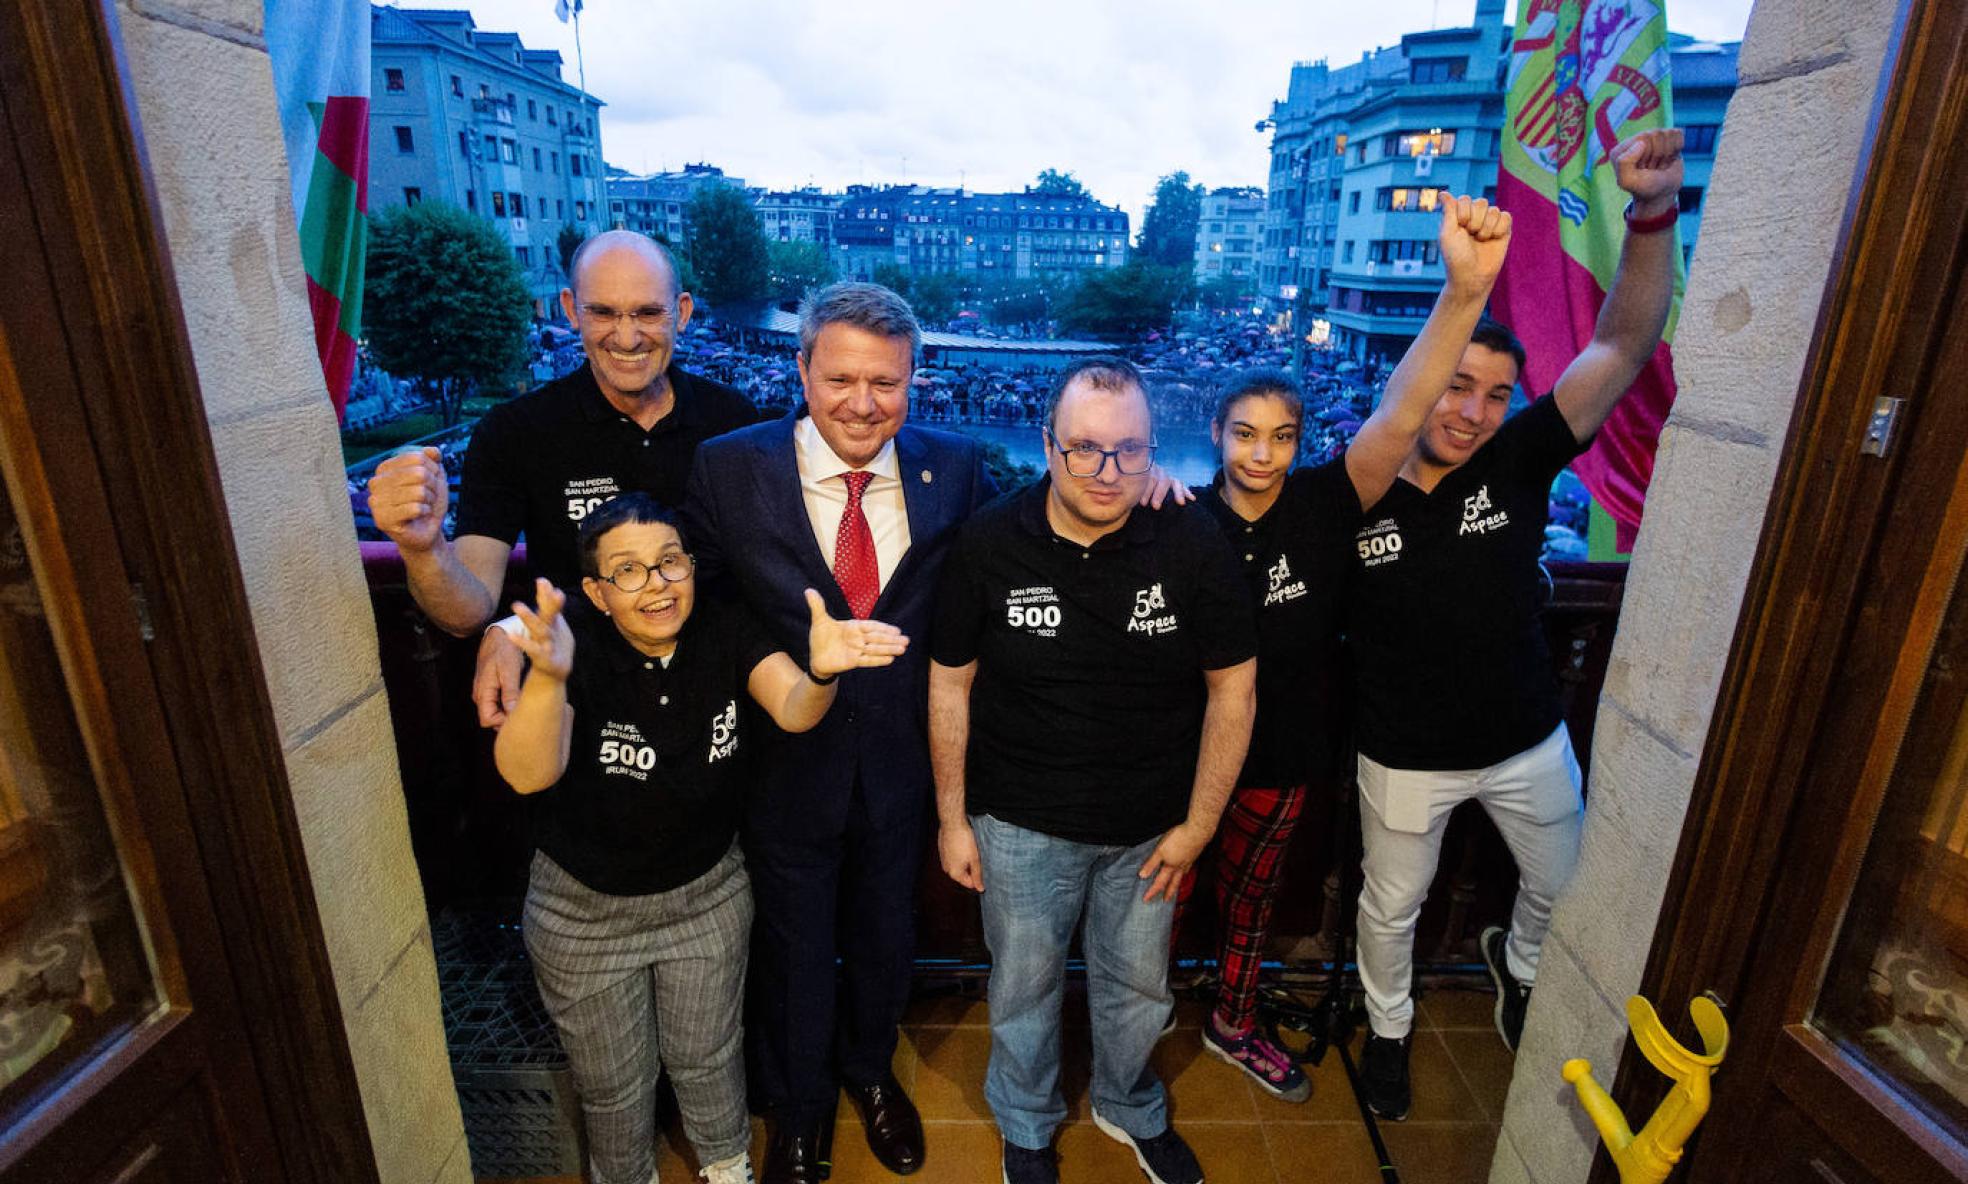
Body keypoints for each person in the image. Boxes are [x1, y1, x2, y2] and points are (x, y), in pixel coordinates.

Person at [1347, 129, 1686, 1121]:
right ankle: (1392, 1028)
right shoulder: (1361, 482)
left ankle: (1521, 959)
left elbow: (1621, 345)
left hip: (1528, 739)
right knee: (1391, 907)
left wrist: (1653, 212)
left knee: (1560, 880)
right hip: (1404, 754)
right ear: (1421, 377)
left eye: (1496, 394)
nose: (1475, 410)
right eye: (1458, 384)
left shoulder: (1519, 458)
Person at [1181, 195, 1516, 1103]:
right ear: (1216, 435)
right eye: (1245, 435)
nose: (1262, 454)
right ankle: (1138, 1030)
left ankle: (1233, 1018)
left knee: (1250, 906)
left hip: (1282, 754)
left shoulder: (1328, 503)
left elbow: (1405, 411)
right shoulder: (1178, 524)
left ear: (1301, 441)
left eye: (1282, 436)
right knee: (1156, 903)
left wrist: (1463, 294)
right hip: (1174, 757)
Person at [493, 493, 908, 1184]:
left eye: (669, 562)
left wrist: (823, 671)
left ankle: (725, 1165)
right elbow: (529, 774)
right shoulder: (576, 647)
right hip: (583, 915)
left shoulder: (724, 627)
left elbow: (794, 709)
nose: (656, 583)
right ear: (595, 592)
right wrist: (550, 676)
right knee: (614, 1086)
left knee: (710, 1057)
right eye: (627, 571)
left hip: (705, 897)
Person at [680, 282, 995, 1184]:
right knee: (793, 950)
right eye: (842, 378)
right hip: (784, 764)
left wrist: (1158, 489)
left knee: (886, 938)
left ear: (914, 379)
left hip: (903, 768)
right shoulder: (728, 467)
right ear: (802, 370)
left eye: (887, 383)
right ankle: (800, 1109)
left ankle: (869, 1074)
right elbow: (699, 602)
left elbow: (1029, 535)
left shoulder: (959, 465)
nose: (864, 403)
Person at [929, 358, 1258, 1184]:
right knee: (1023, 988)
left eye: (1129, 451)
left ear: (1152, 453)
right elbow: (950, 680)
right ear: (1047, 446)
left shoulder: (1189, 536)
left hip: (1149, 829)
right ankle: (1027, 1124)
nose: (1108, 472)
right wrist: (950, 817)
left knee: (1140, 988)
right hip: (1018, 822)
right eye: (1084, 449)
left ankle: (1127, 1103)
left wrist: (1198, 826)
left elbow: (1234, 687)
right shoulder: (991, 540)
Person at [364, 230, 756, 722]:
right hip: (585, 717)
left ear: (681, 312)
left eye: (648, 313)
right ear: (571, 310)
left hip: (725, 712)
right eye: (603, 312)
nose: (627, 336)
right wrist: (422, 549)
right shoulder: (514, 433)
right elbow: (467, 612)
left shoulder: (736, 420)